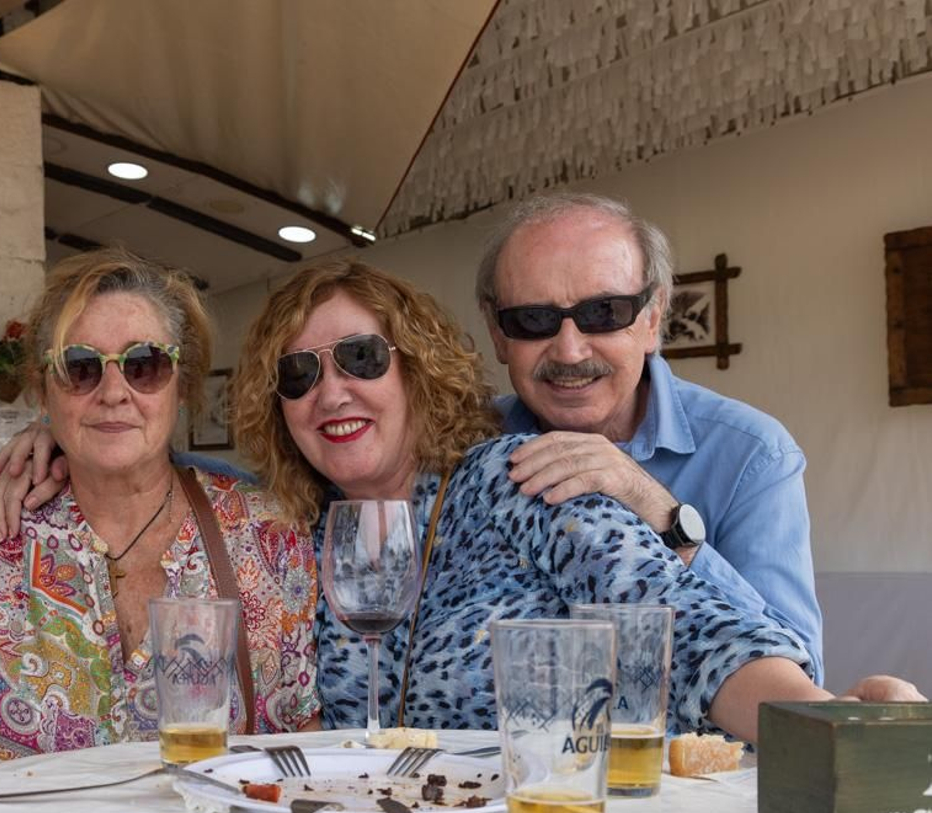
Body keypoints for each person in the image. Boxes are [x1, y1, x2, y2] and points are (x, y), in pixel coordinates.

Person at [229, 259, 917, 739]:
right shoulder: (292, 536)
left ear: (416, 369)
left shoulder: (518, 479)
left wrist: (821, 719)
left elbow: (681, 618)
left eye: (360, 358)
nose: (331, 391)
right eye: (296, 374)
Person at [0, 249, 319, 758]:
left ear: (181, 386)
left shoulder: (267, 537)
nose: (114, 391)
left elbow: (303, 734)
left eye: (145, 364)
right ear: (44, 393)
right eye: (80, 367)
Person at [477, 192, 825, 678]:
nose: (571, 351)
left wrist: (660, 514)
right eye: (534, 320)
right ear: (497, 334)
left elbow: (800, 680)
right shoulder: (462, 446)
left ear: (654, 316)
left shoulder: (753, 455)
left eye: (604, 313)